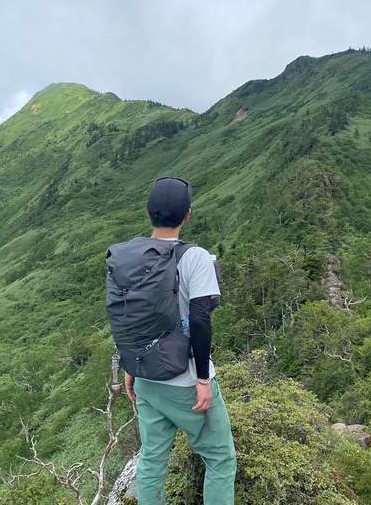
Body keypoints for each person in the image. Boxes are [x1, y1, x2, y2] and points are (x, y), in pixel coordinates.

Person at [125, 176, 237, 504]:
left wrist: (130, 365)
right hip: (186, 380)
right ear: (188, 215)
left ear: (147, 212)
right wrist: (202, 380)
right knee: (220, 458)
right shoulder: (195, 257)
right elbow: (200, 319)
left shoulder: (129, 257)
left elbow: (128, 314)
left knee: (152, 460)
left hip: (146, 377)